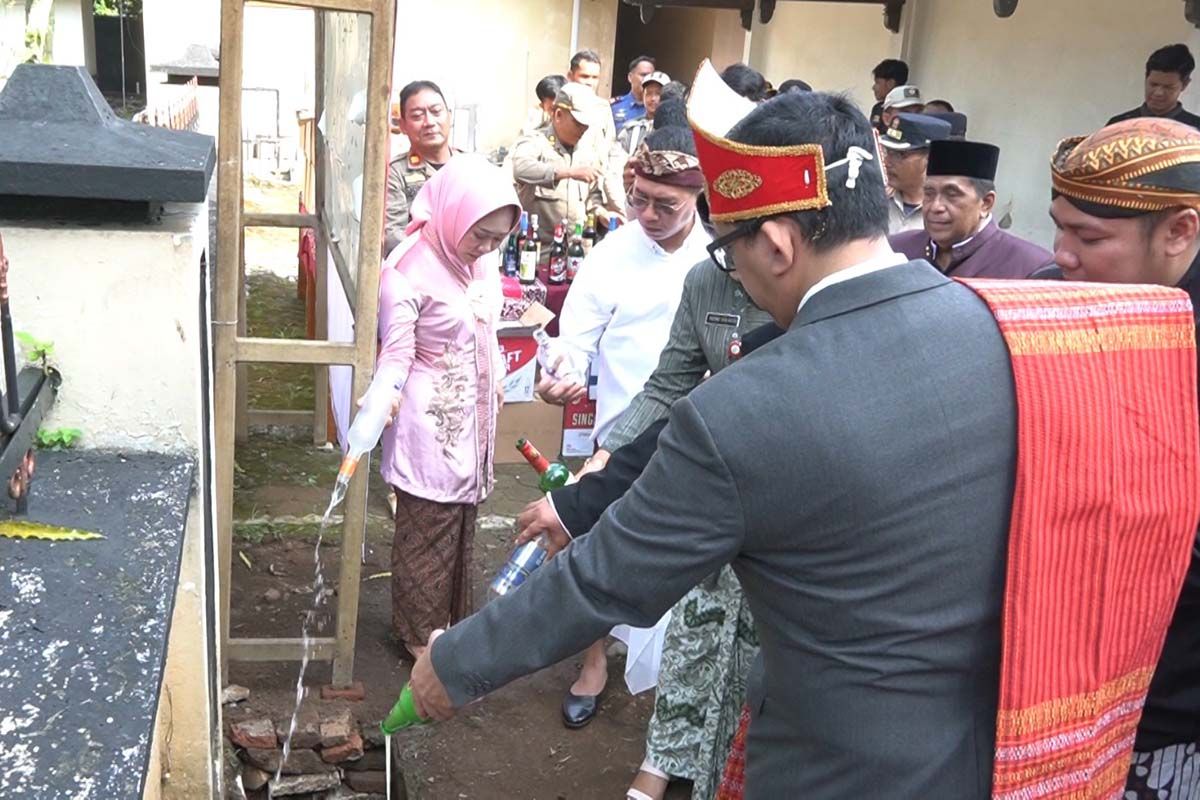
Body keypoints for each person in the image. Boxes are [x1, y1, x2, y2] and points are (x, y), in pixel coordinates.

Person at [408, 61, 1200, 800]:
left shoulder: (745, 410)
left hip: (837, 766)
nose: (736, 273)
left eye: (732, 252)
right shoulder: (1008, 327)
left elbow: (602, 581)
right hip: (1005, 749)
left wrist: (454, 666)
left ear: (779, 243)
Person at [1043, 117, 1200, 800]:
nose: (1062, 255)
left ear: (1179, 233)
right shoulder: (1058, 304)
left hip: (1169, 705)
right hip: (1054, 679)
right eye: (1060, 228)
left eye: (1090, 237)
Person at [536, 125, 711, 731]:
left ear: (699, 195)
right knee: (596, 540)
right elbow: (574, 340)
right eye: (639, 199)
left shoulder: (718, 260)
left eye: (668, 205)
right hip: (618, 427)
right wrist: (562, 370)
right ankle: (592, 662)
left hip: (694, 434)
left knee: (680, 552)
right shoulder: (613, 251)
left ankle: (679, 675)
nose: (649, 215)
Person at [376, 154, 519, 662]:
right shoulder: (407, 271)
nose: (486, 248)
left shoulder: (477, 259)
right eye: (479, 235)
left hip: (472, 416)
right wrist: (384, 396)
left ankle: (448, 623)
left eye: (497, 239)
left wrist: (497, 377)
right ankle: (418, 636)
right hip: (430, 422)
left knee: (460, 525)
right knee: (425, 529)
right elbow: (395, 352)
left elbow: (489, 328)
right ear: (453, 213)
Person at [891, 139, 1052, 277]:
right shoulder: (898, 249)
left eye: (952, 194)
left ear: (986, 203)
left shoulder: (1030, 267)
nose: (935, 206)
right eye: (929, 193)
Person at [511, 83, 609, 254]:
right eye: (578, 123)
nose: (584, 130)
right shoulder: (535, 141)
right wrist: (567, 173)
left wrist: (601, 213)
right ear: (558, 115)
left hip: (577, 252)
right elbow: (521, 168)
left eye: (587, 125)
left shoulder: (587, 151)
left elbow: (593, 195)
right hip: (539, 253)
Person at [384, 80, 457, 254]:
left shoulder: (469, 166)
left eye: (436, 112)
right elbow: (393, 236)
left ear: (449, 116)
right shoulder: (395, 173)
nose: (429, 122)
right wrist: (444, 258)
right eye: (417, 116)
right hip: (419, 271)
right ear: (403, 126)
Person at [567, 49, 628, 225]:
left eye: (595, 78)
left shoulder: (603, 108)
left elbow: (609, 151)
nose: (590, 83)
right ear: (571, 76)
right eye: (584, 76)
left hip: (594, 193)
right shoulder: (560, 106)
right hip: (566, 189)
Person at [878, 112, 952, 233]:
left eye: (899, 154)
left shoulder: (947, 212)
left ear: (930, 158)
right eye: (887, 152)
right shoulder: (877, 199)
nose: (887, 162)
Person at [1109, 43, 1200, 130]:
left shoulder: (1195, 129)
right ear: (1146, 78)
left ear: (1185, 84)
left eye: (1168, 87)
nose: (1158, 93)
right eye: (1153, 84)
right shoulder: (1118, 125)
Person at [619, 70, 669, 155]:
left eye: (658, 93)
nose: (653, 98)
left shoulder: (675, 129)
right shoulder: (631, 128)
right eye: (648, 93)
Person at [612, 55, 657, 129]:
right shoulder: (615, 106)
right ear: (630, 77)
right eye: (643, 75)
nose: (647, 79)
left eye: (651, 75)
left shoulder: (658, 107)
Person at [870, 58, 909, 132]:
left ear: (890, 83)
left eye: (877, 82)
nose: (873, 87)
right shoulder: (878, 108)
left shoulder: (905, 109)